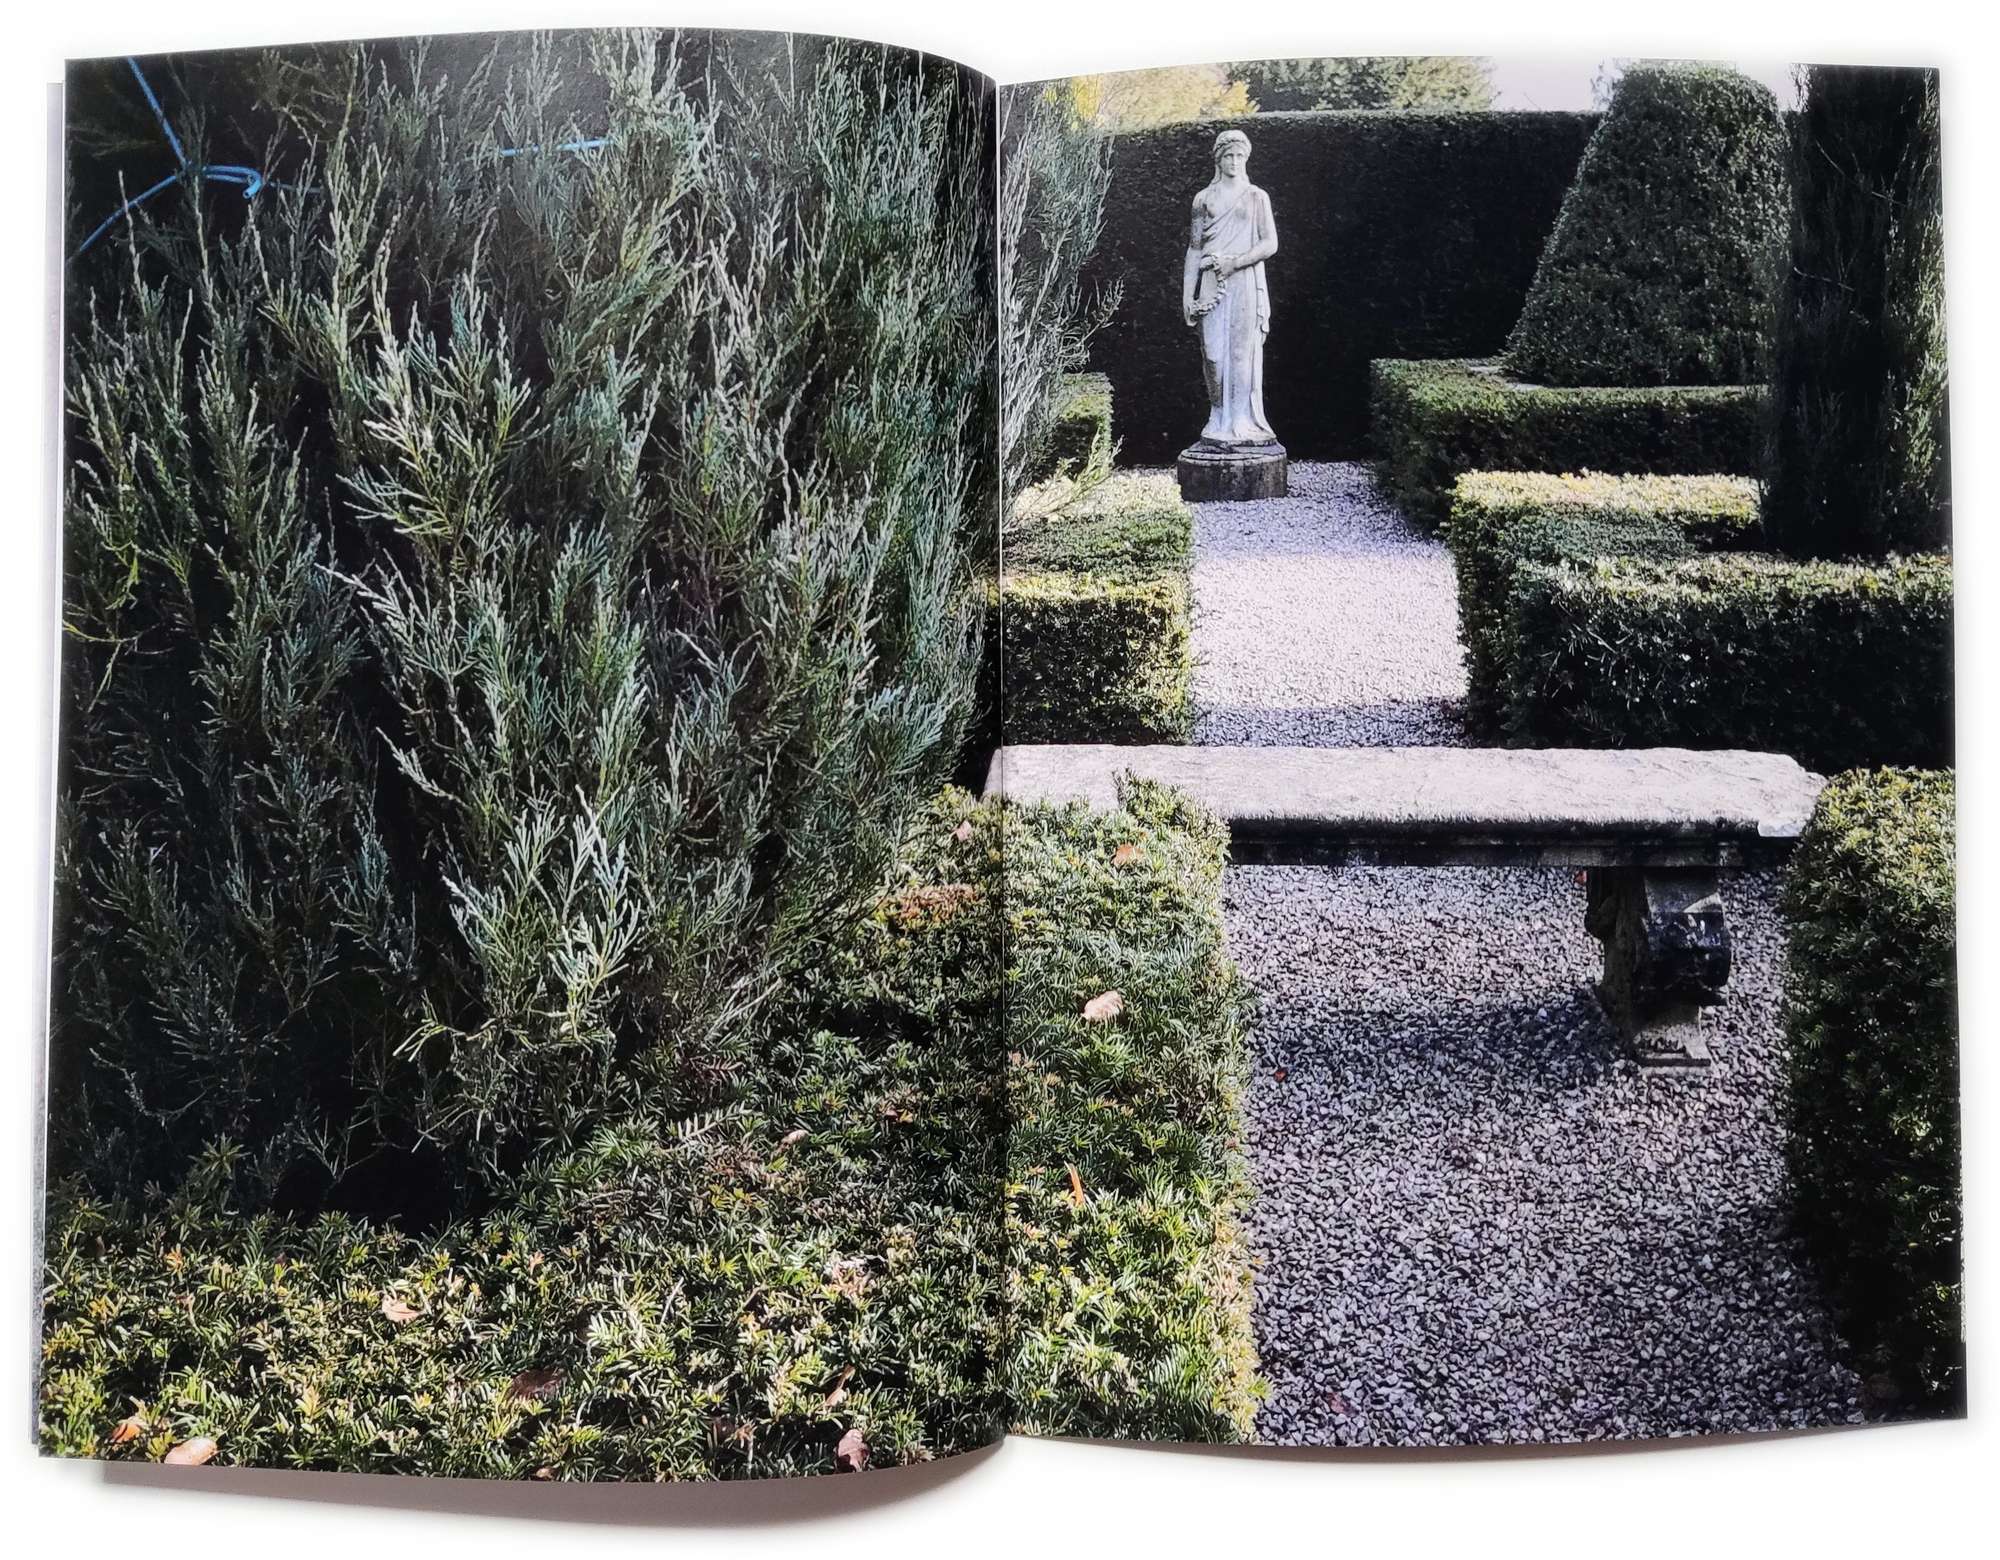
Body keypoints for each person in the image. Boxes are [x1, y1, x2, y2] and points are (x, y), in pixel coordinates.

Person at [1183, 128, 1278, 445]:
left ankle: (1238, 419)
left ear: (1246, 158)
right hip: (1211, 281)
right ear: (1219, 160)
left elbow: (1270, 244)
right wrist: (1187, 293)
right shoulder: (1203, 199)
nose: (1234, 161)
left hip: (1245, 281)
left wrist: (1236, 262)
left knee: (1241, 353)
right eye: (1228, 156)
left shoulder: (1257, 196)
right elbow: (1194, 248)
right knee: (1212, 354)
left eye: (1239, 155)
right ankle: (1218, 412)